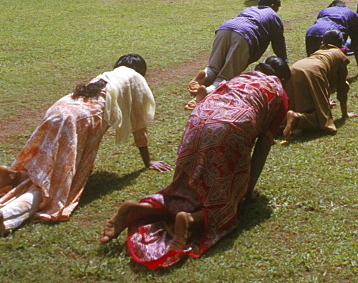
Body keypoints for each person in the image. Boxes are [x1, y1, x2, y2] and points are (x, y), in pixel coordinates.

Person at [101, 57, 289, 268]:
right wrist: (246, 189)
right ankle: (191, 220)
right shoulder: (279, 92)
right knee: (227, 198)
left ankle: (142, 209)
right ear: (281, 78)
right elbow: (262, 147)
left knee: (185, 187)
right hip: (232, 125)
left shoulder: (240, 78)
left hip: (199, 118)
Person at [0, 54, 171, 234]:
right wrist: (148, 162)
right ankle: (9, 213)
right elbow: (139, 125)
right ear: (141, 71)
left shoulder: (107, 75)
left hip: (60, 108)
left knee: (42, 164)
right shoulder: (135, 79)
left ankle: (15, 177)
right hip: (79, 119)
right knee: (57, 186)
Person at [186, 0, 287, 109]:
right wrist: (283, 61)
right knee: (226, 76)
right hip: (244, 35)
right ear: (273, 5)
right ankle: (206, 92)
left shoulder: (249, 9)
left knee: (214, 67)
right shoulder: (272, 14)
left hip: (224, 29)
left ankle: (204, 76)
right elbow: (278, 41)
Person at [284, 33, 354, 139]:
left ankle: (285, 122)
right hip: (314, 71)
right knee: (323, 120)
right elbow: (342, 86)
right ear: (341, 44)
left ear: (323, 43)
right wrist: (345, 114)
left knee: (297, 105)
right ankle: (297, 118)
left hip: (294, 68)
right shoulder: (340, 54)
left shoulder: (318, 51)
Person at [305, 0, 358, 76]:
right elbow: (355, 42)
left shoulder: (324, 10)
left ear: (332, 5)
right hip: (333, 33)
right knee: (335, 60)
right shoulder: (352, 14)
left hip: (312, 31)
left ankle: (311, 76)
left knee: (313, 59)